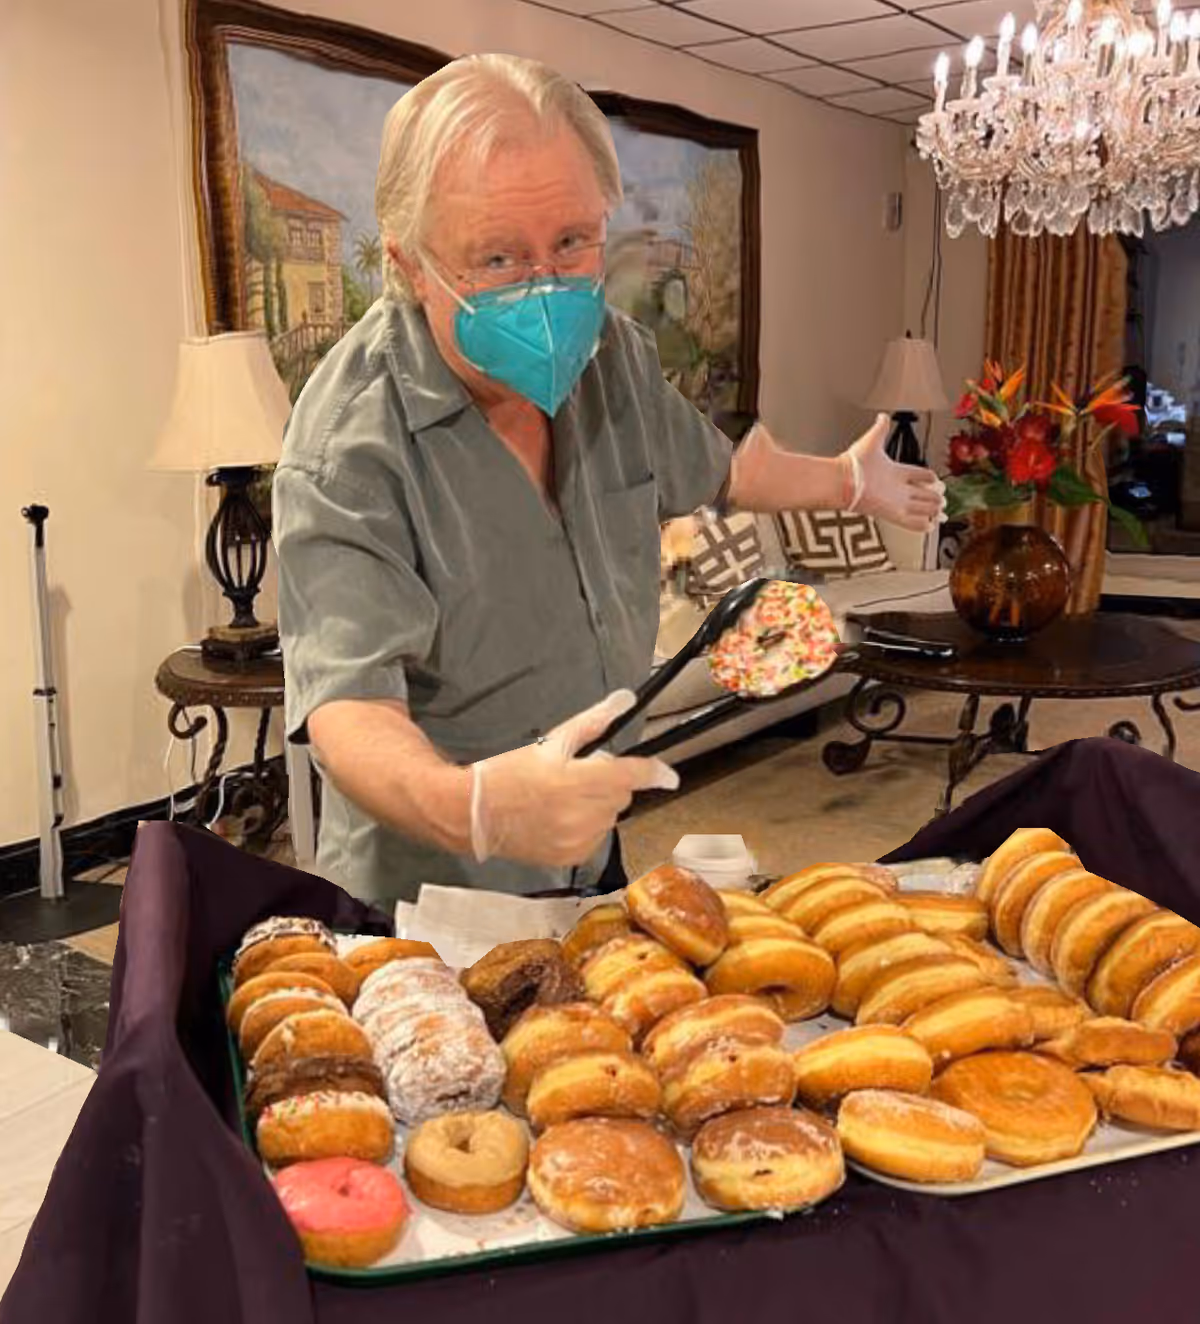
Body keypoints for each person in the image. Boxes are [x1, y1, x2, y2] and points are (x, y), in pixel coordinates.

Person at [273, 53, 945, 905]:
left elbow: (722, 471)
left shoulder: (612, 354)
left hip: (590, 849)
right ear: (411, 266)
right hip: (430, 887)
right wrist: (475, 809)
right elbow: (349, 709)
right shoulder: (348, 445)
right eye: (498, 258)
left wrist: (845, 482)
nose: (546, 290)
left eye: (571, 242)